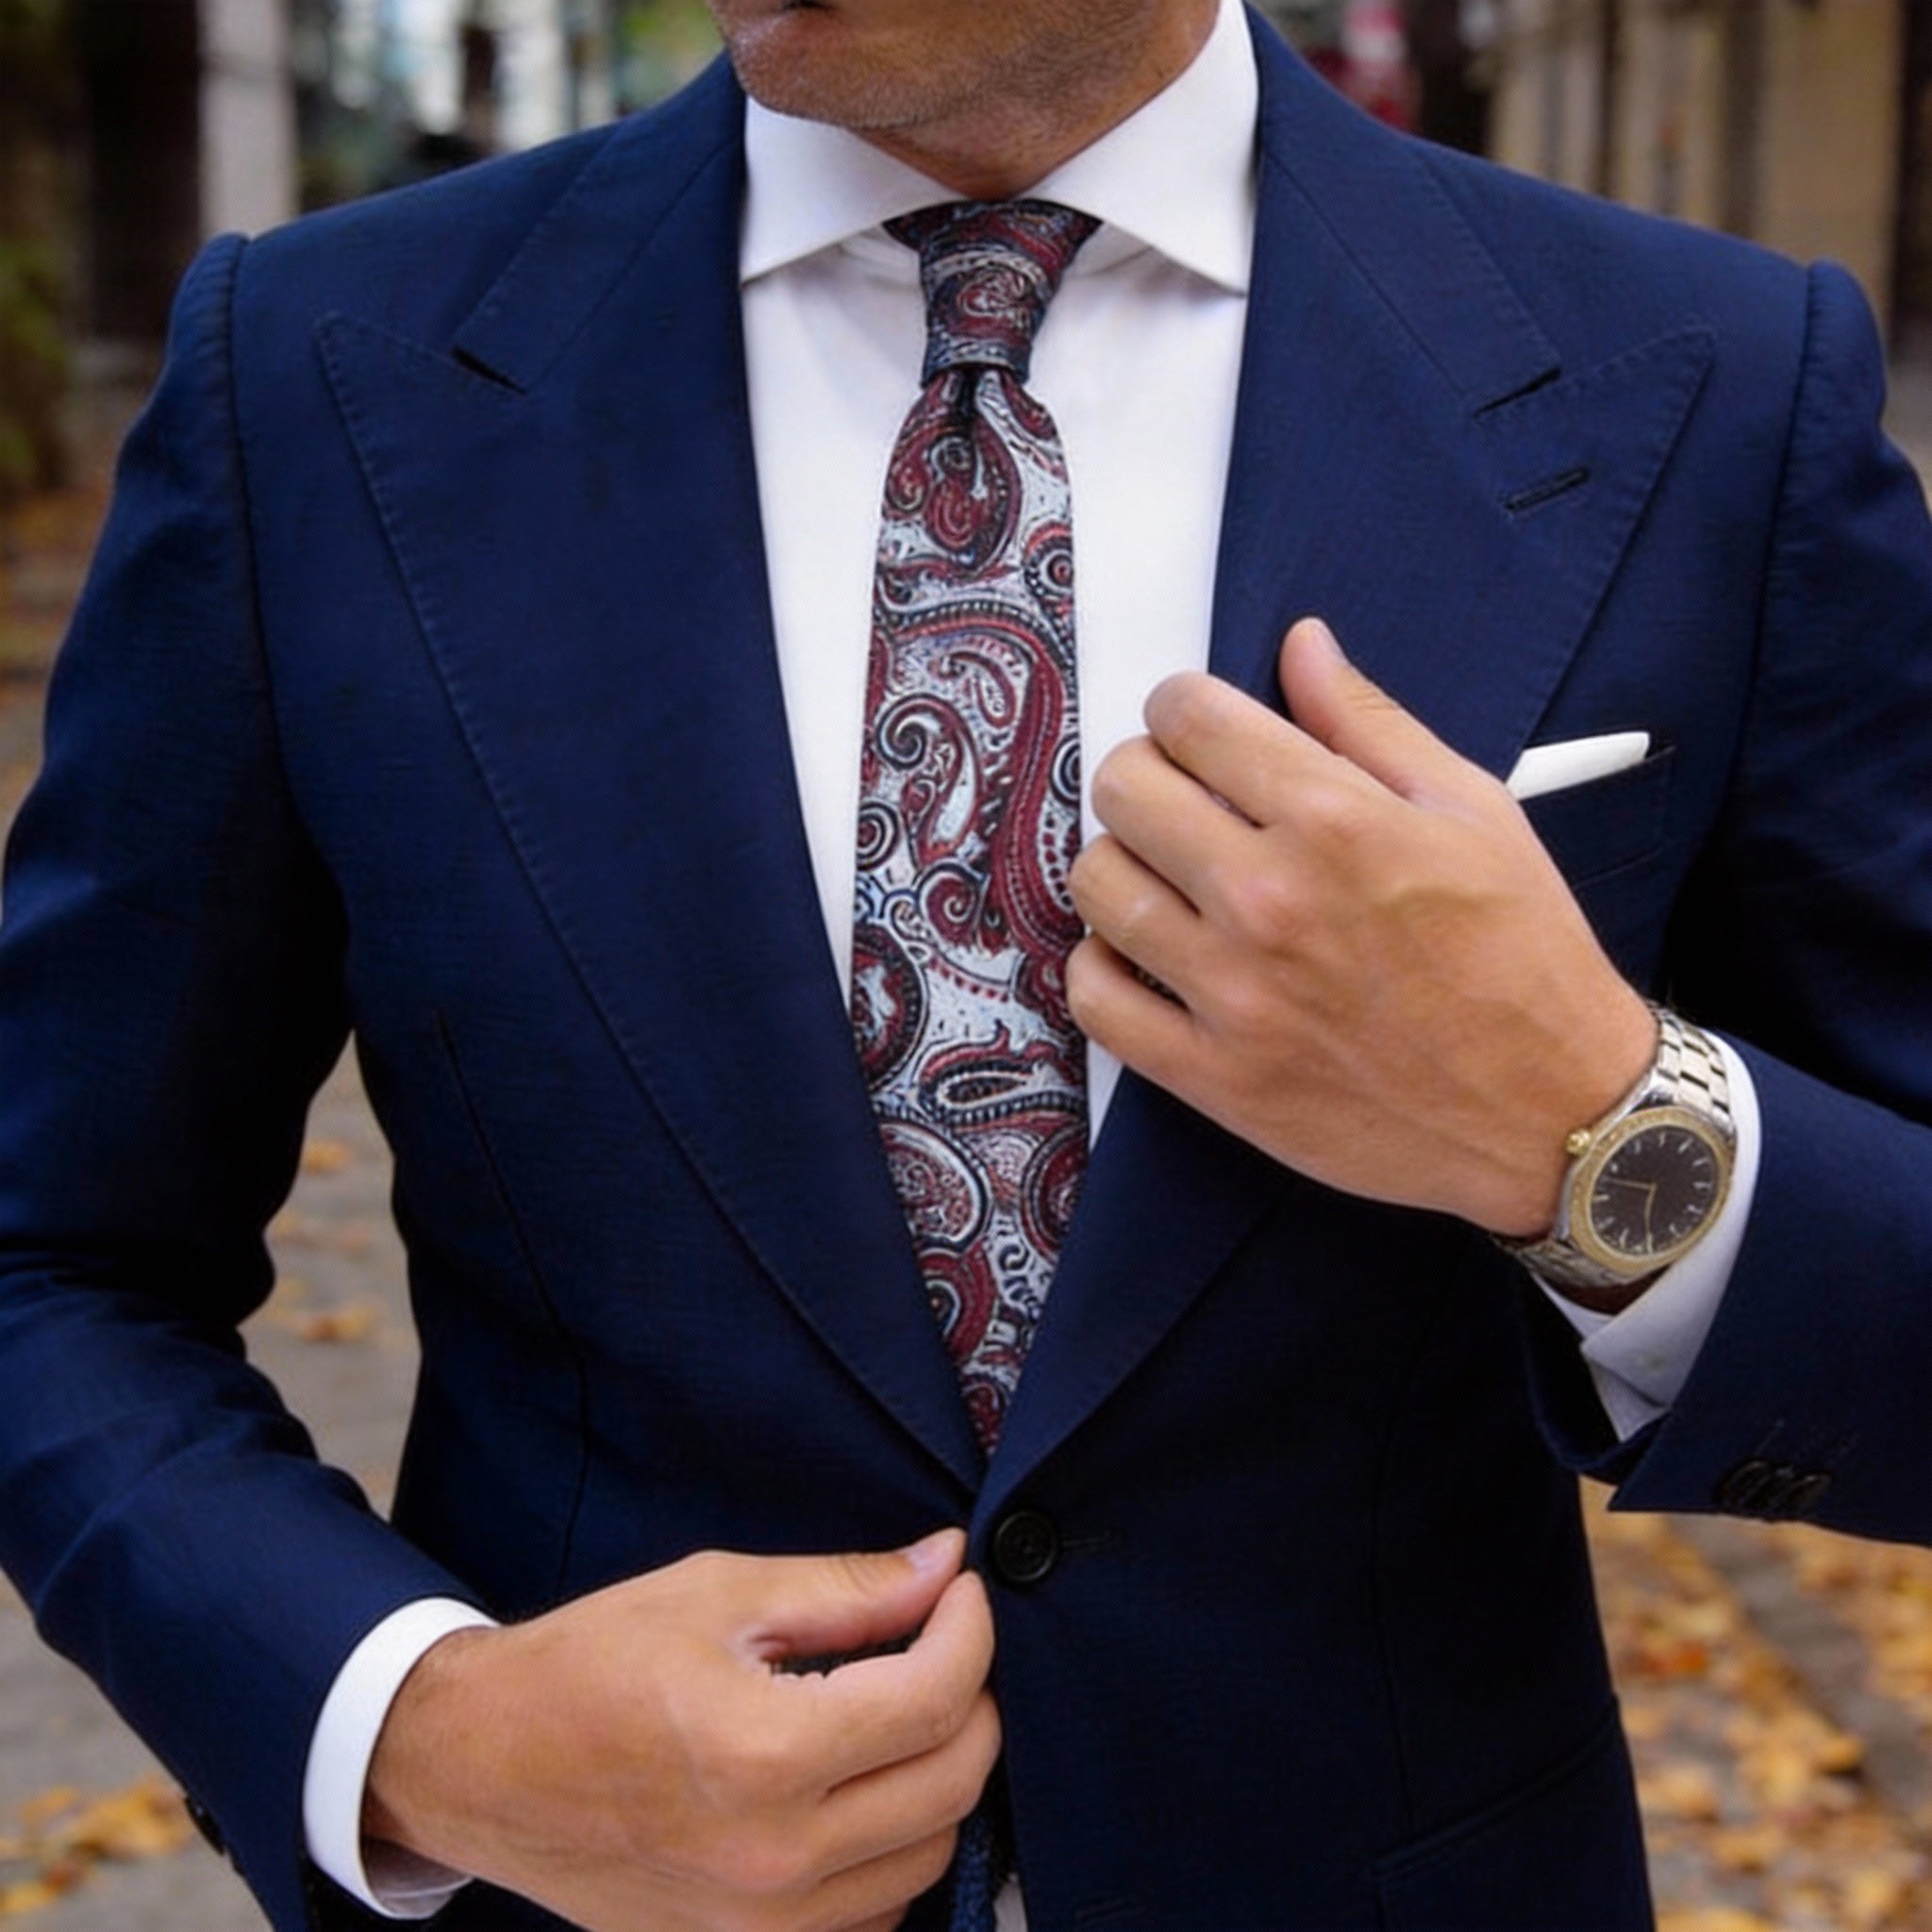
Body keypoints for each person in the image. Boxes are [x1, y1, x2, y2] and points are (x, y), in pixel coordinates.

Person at [0, 0, 1927, 1927]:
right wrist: (419, 1729)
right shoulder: (322, 375)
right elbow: (51, 1251)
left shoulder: (1706, 391)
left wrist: (1589, 1127)